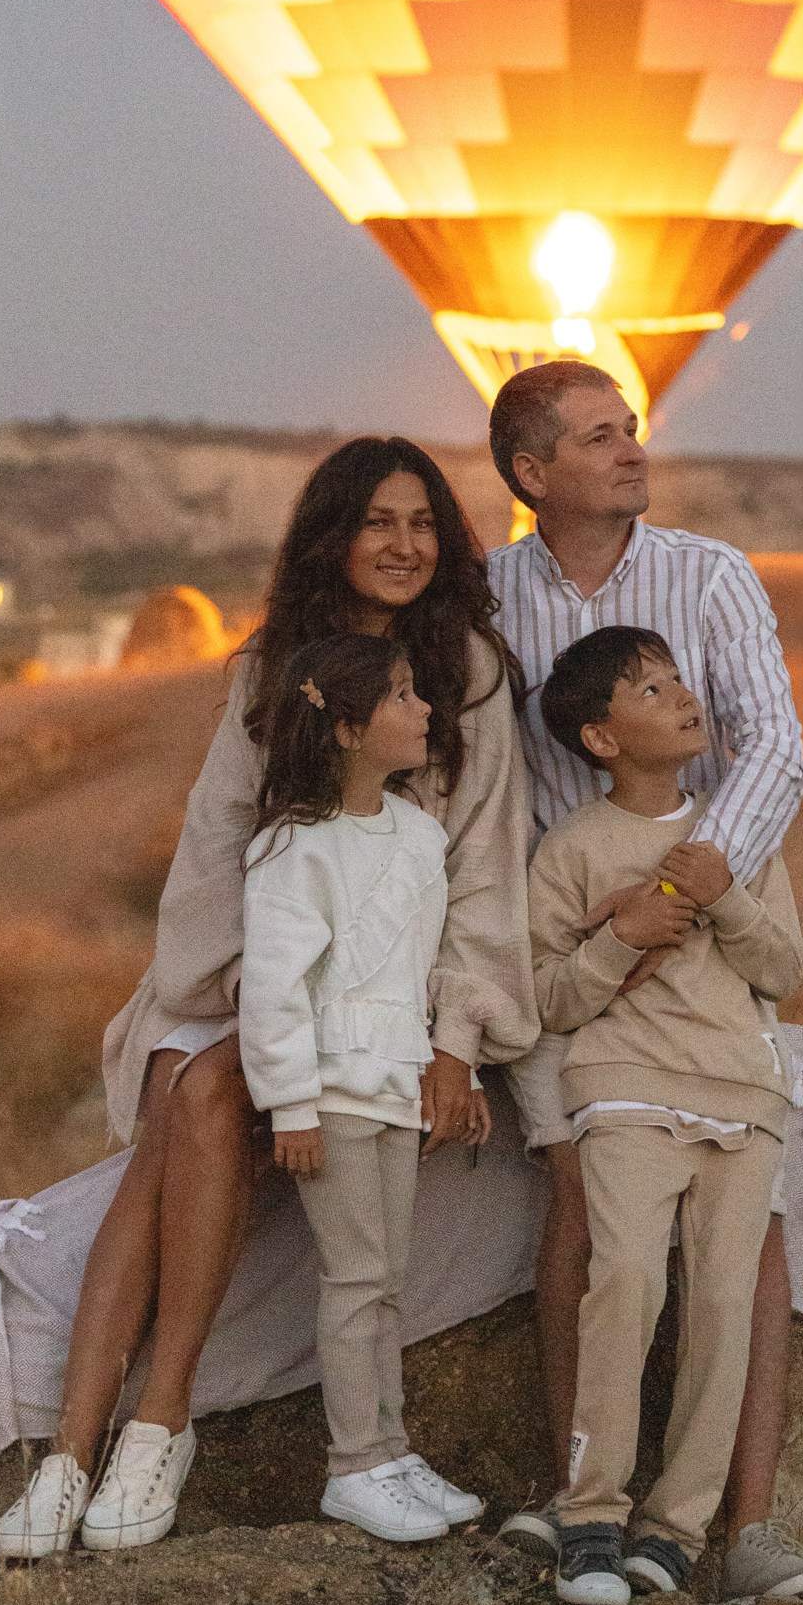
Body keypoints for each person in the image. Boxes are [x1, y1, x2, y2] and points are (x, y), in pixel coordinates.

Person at [0, 438, 536, 1560]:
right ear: (332, 537)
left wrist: (457, 1037)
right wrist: (244, 1001)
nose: (402, 544)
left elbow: (482, 870)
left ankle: (159, 1418)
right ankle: (82, 1451)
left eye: (422, 522)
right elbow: (216, 851)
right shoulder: (269, 670)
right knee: (185, 1097)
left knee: (204, 1110)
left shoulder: (464, 672)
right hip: (250, 964)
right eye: (376, 522)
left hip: (379, 991)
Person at [486, 360, 803, 1605]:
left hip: (695, 945)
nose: (632, 451)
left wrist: (679, 893)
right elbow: (484, 785)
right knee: (585, 1220)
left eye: (630, 429)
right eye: (598, 437)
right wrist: (579, 929)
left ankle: (734, 1527)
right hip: (572, 954)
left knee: (739, 1241)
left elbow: (777, 751)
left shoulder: (708, 576)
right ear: (533, 474)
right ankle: (578, 1498)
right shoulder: (487, 601)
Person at [527, 627, 803, 1605]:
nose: (683, 697)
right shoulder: (570, 852)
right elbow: (545, 1001)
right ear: (601, 739)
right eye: (651, 689)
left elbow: (782, 970)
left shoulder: (736, 841)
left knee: (726, 1308)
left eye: (678, 678)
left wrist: (721, 898)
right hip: (625, 1087)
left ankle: (675, 1532)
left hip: (740, 1093)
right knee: (628, 1280)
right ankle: (590, 1516)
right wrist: (624, 937)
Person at [238, 633, 485, 1545]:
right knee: (353, 1279)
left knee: (387, 1281)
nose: (423, 711)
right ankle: (352, 1466)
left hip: (392, 1085)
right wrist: (290, 1106)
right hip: (333, 1096)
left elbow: (422, 972)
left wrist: (440, 1059)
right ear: (345, 727)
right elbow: (273, 988)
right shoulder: (295, 849)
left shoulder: (420, 834)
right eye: (399, 696)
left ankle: (389, 1447)